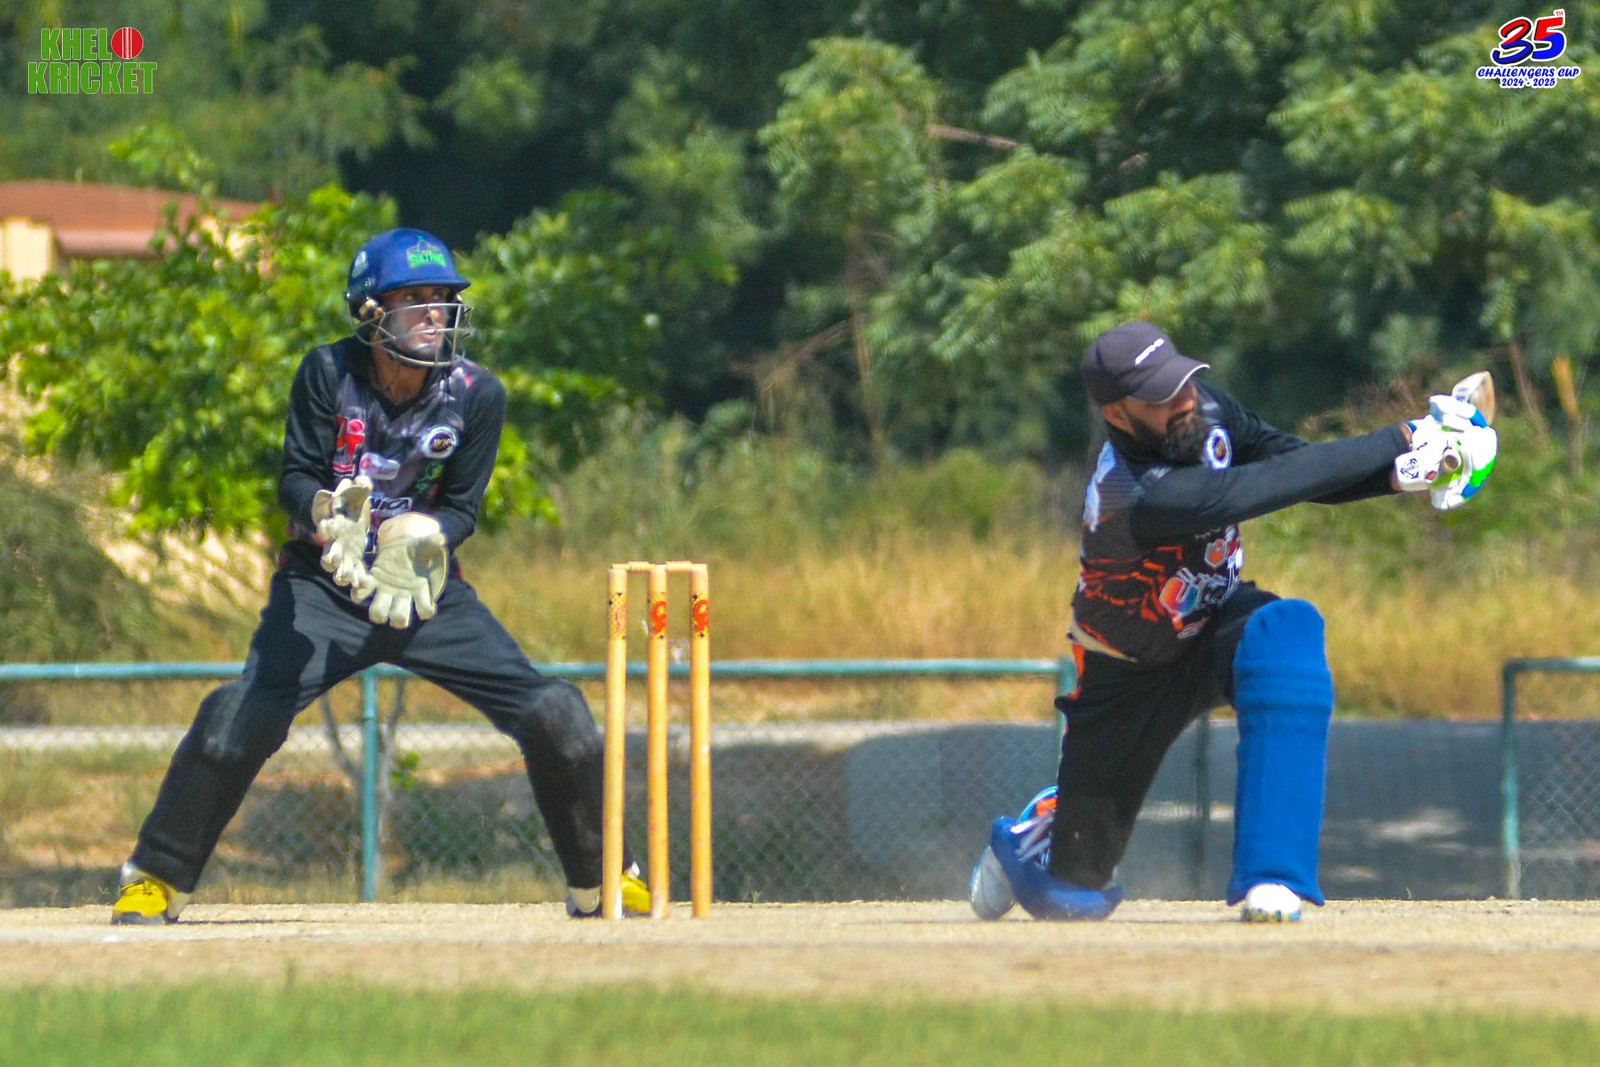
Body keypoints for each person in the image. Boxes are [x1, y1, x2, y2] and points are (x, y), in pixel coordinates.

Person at [111, 228, 649, 923]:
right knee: (237, 715)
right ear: (371, 312)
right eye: (414, 298)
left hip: (424, 588)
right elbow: (296, 476)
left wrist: (426, 535)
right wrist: (324, 513)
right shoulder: (327, 373)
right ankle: (156, 879)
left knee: (556, 712)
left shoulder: (477, 393)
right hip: (324, 587)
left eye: (442, 297)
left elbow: (461, 509)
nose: (434, 312)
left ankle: (603, 879)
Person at [970, 320, 1496, 923]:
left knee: (1288, 631)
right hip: (1125, 674)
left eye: (1182, 382)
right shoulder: (1133, 493)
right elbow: (1262, 487)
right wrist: (1408, 434)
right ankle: (1042, 828)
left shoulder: (1206, 411)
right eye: (1159, 397)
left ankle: (1274, 877)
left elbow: (1298, 465)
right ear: (1117, 415)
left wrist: (1409, 470)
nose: (1182, 400)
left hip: (1215, 623)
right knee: (1074, 897)